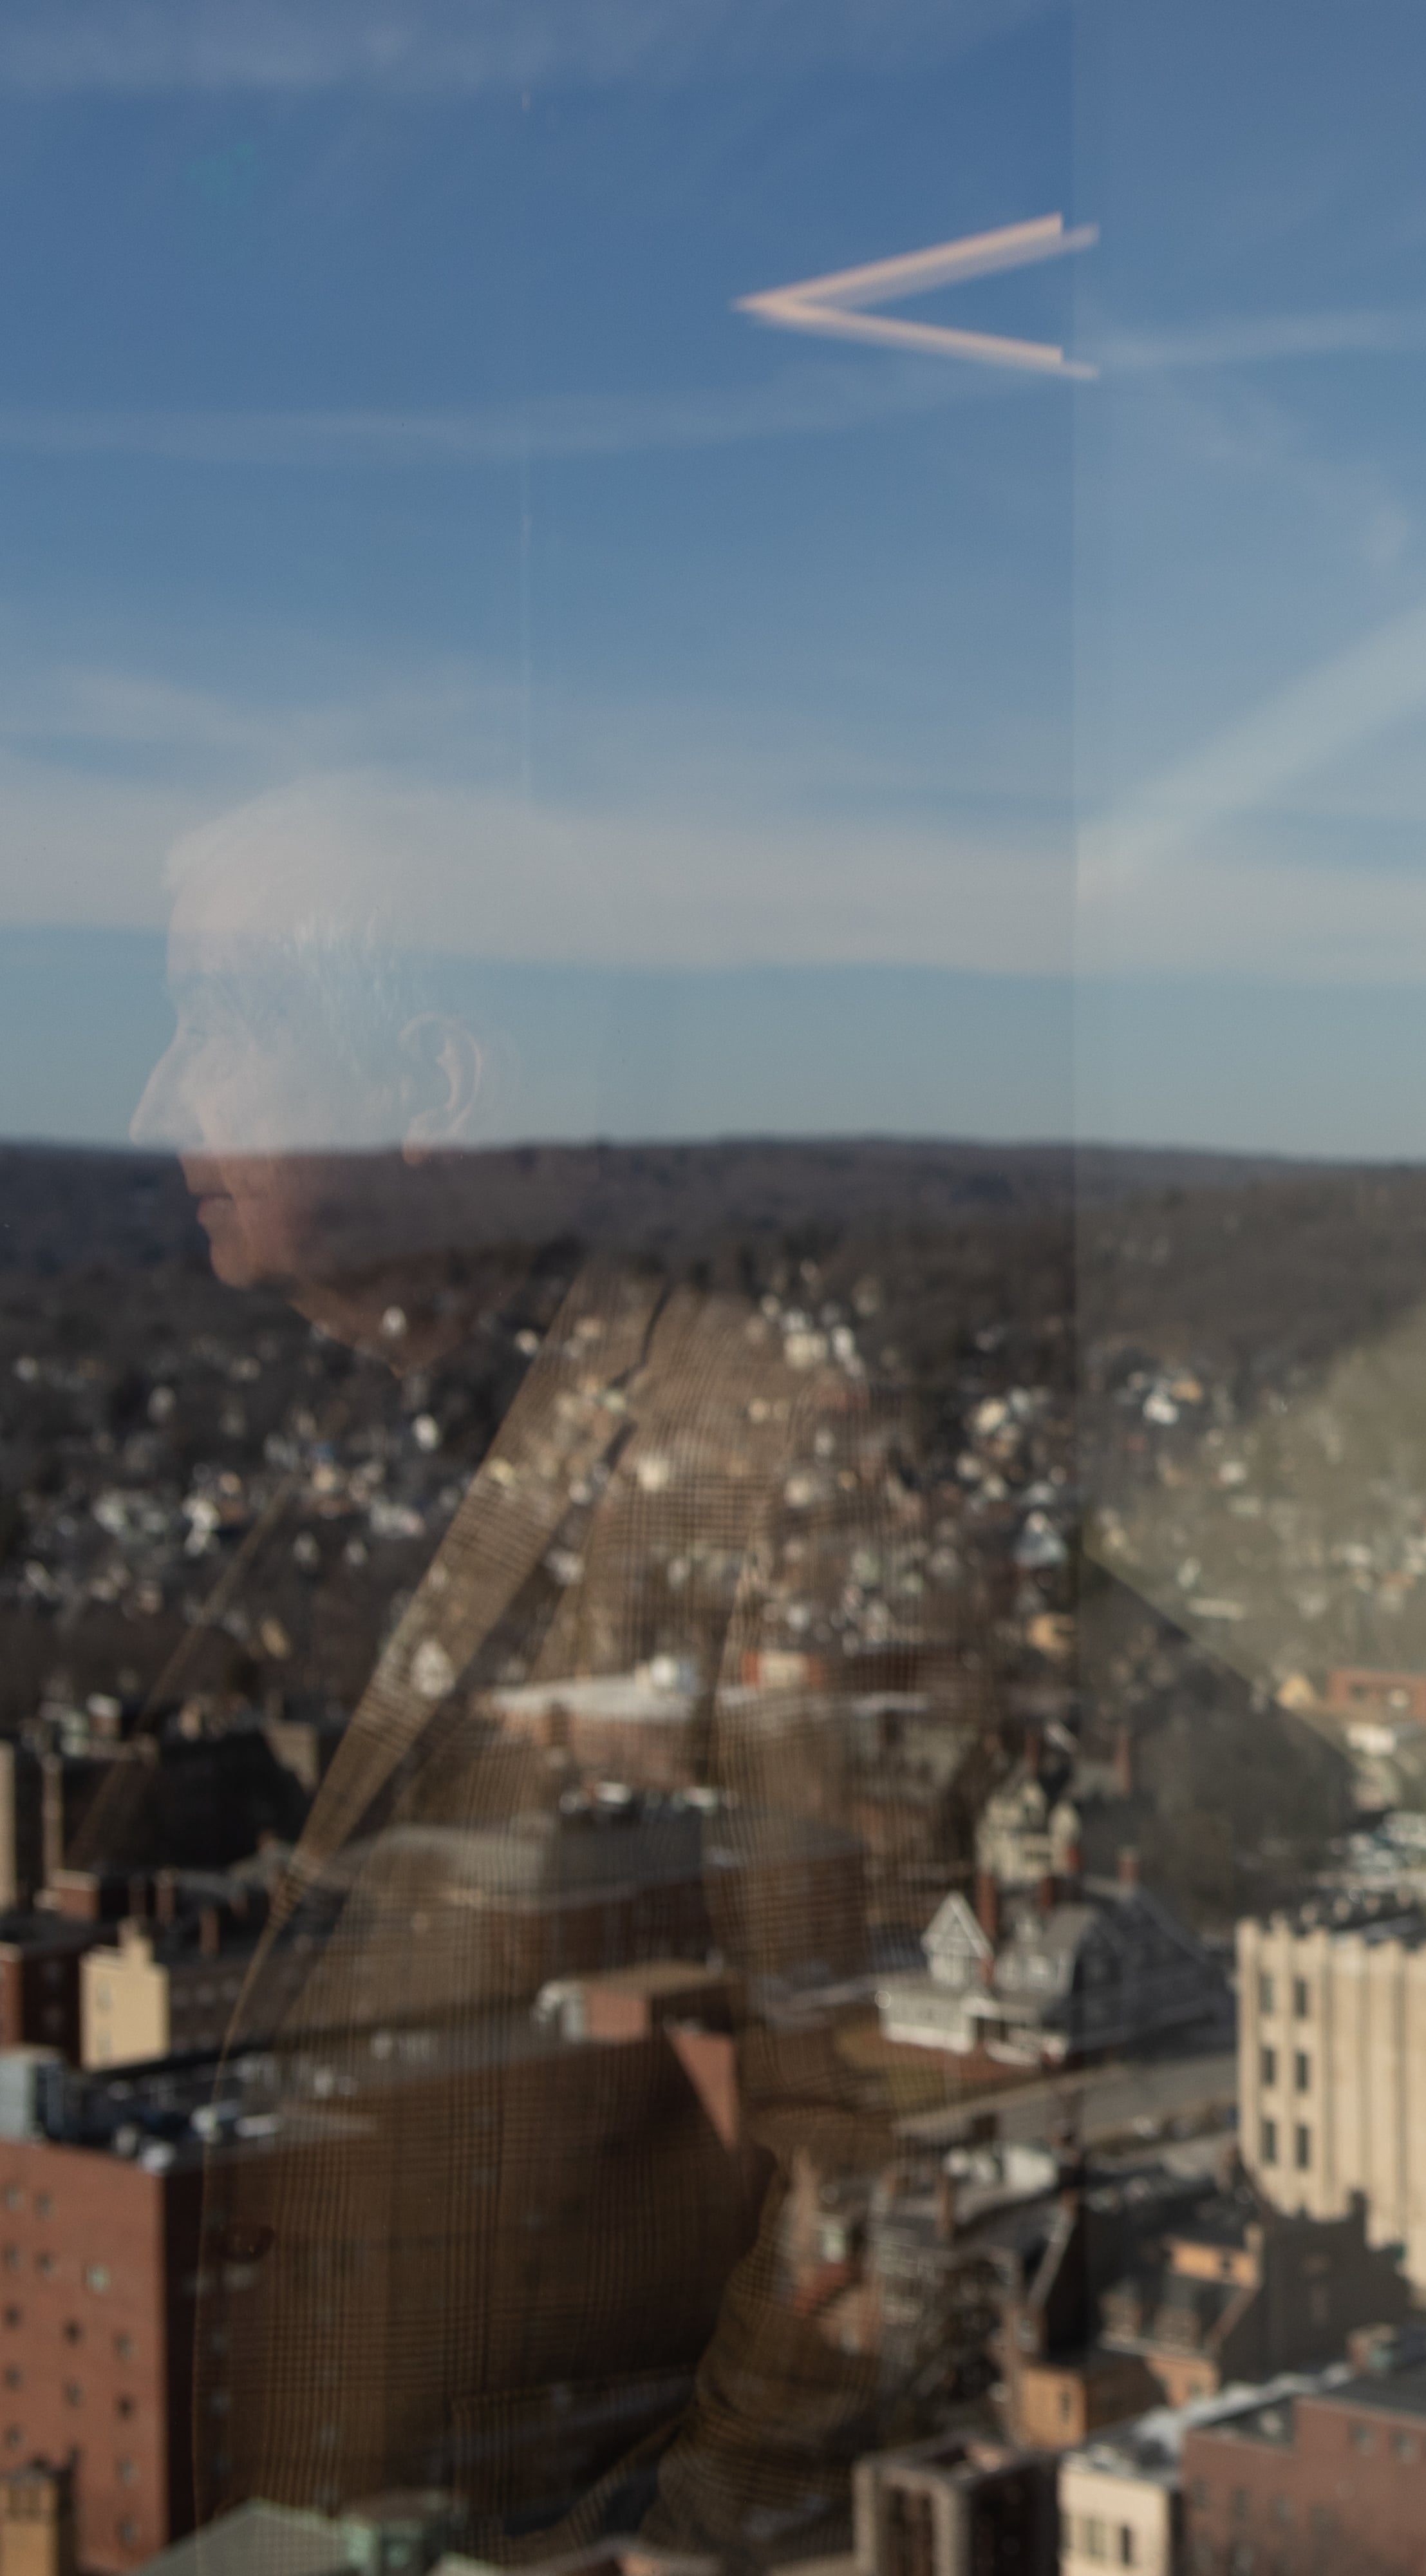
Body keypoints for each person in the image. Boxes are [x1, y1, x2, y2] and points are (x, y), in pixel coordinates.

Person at [126, 778, 1005, 2560]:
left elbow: (879, 2156)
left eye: (213, 1026)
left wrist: (689, 2547)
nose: (150, 1105)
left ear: (439, 1091)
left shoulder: (761, 1461)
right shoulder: (315, 1434)